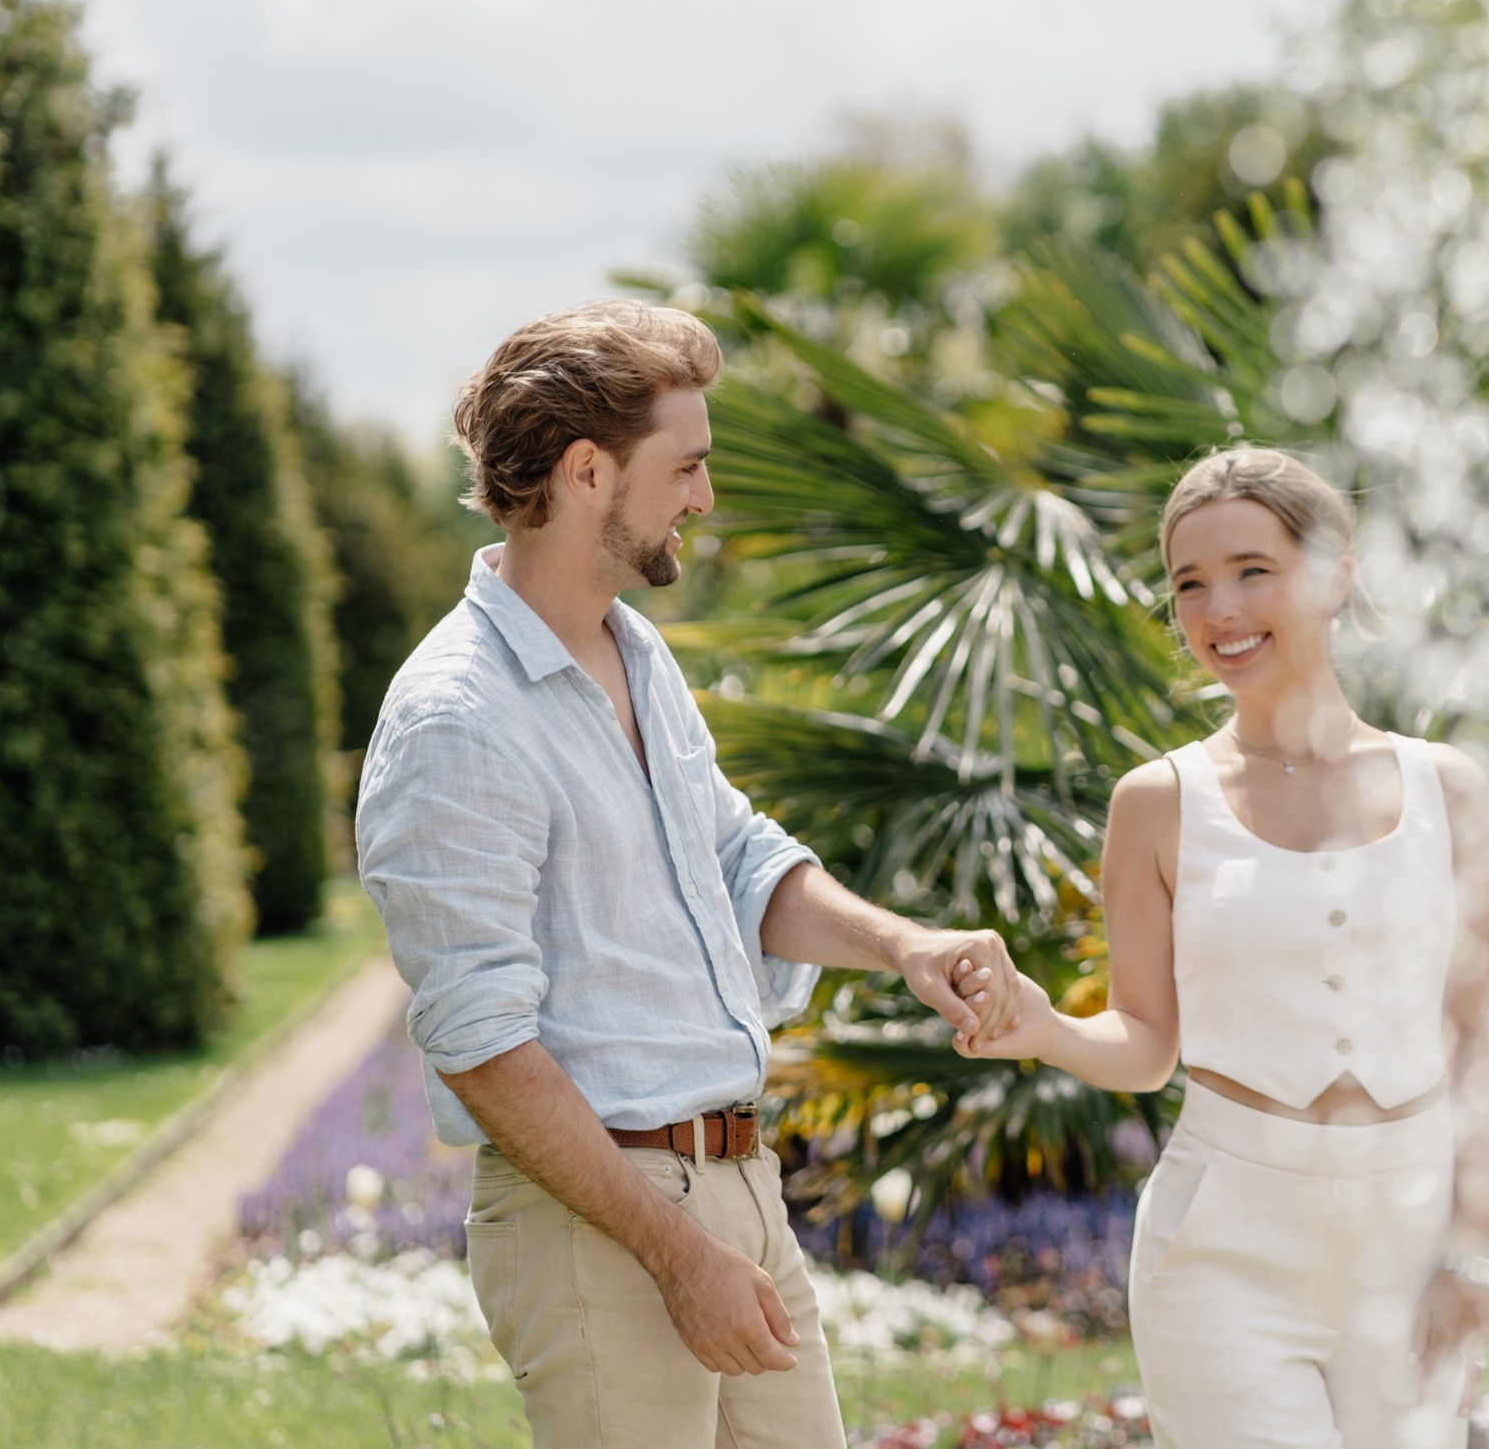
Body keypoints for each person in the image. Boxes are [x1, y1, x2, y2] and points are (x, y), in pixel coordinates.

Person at [356, 301, 1019, 1449]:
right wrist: (674, 1255)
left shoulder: (635, 650)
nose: (705, 498)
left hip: (738, 1186)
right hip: (602, 1224)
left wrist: (903, 946)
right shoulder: (457, 718)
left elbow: (738, 855)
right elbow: (483, 1046)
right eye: (687, 466)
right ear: (586, 473)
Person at [961, 447, 1489, 1449]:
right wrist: (1046, 1031)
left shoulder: (1449, 789)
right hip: (1223, 1255)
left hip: (1411, 1238)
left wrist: (1475, 1257)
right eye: (1190, 584)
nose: (1219, 610)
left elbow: (1482, 1047)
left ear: (1334, 574)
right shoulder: (1156, 802)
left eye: (1253, 571)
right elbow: (1147, 1041)